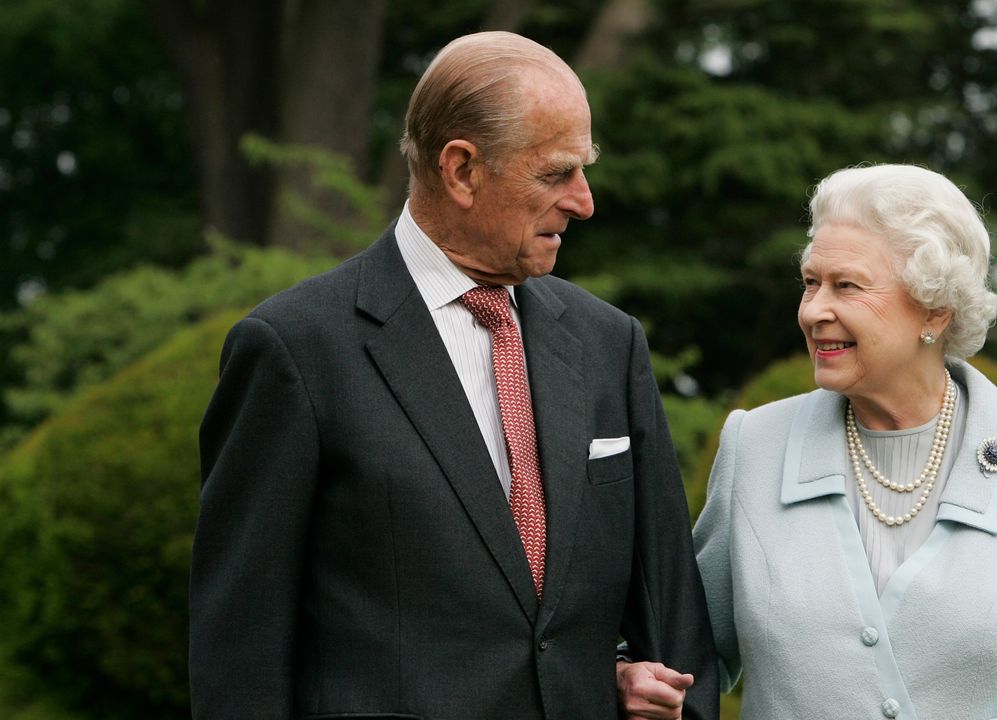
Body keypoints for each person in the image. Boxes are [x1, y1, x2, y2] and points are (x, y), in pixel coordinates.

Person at [191, 31, 717, 720]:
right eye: (556, 173)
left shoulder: (608, 343)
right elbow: (239, 659)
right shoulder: (294, 350)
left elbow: (674, 629)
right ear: (462, 170)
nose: (584, 201)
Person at [621, 164, 997, 719]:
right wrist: (638, 681)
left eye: (848, 286)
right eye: (811, 282)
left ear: (934, 308)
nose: (814, 311)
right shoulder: (755, 447)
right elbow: (688, 653)